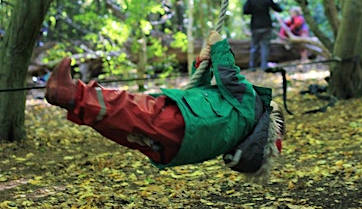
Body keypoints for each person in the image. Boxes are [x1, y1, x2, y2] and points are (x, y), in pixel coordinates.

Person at [45, 31, 284, 171]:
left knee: (131, 108)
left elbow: (229, 78)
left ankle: (72, 94)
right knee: (125, 129)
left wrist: (220, 46)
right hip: (177, 147)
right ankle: (74, 102)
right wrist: (202, 66)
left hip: (186, 123)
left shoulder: (251, 106)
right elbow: (205, 93)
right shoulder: (238, 131)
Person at [243, 0, 282, 70]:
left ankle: (252, 66)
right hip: (266, 25)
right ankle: (264, 66)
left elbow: (245, 11)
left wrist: (253, 10)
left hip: (255, 26)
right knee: (265, 46)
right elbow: (278, 9)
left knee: (255, 46)